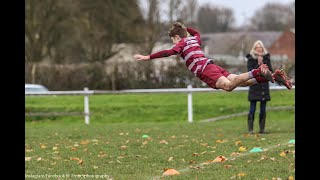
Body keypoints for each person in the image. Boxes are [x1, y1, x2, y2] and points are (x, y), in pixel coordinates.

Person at [133, 22, 292, 92]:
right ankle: (270, 76)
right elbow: (196, 32)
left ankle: (257, 72)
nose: (173, 43)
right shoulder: (194, 39)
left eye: (172, 39)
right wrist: (183, 28)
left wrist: (148, 57)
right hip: (211, 66)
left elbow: (168, 52)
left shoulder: (180, 44)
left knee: (229, 87)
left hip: (205, 70)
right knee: (241, 83)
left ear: (175, 38)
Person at [246, 40, 273, 134]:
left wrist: (263, 65)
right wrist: (258, 65)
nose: (259, 48)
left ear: (262, 48)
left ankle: (262, 129)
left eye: (260, 47)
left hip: (264, 87)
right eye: (257, 47)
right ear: (254, 49)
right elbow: (250, 71)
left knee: (263, 109)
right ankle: (250, 129)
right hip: (254, 86)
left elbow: (270, 71)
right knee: (252, 108)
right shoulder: (250, 59)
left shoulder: (267, 58)